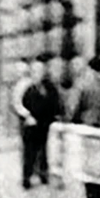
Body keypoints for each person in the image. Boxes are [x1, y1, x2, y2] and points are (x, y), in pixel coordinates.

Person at [67, 55, 100, 198]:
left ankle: (92, 197)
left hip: (87, 126)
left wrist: (72, 120)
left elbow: (74, 107)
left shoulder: (82, 83)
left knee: (89, 163)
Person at [15, 60, 63, 188]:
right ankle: (27, 178)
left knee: (44, 152)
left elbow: (56, 104)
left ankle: (43, 175)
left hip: (44, 125)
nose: (39, 74)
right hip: (31, 126)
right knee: (29, 153)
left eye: (41, 71)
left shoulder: (50, 88)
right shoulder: (28, 88)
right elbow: (20, 104)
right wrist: (27, 116)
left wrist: (56, 117)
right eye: (36, 71)